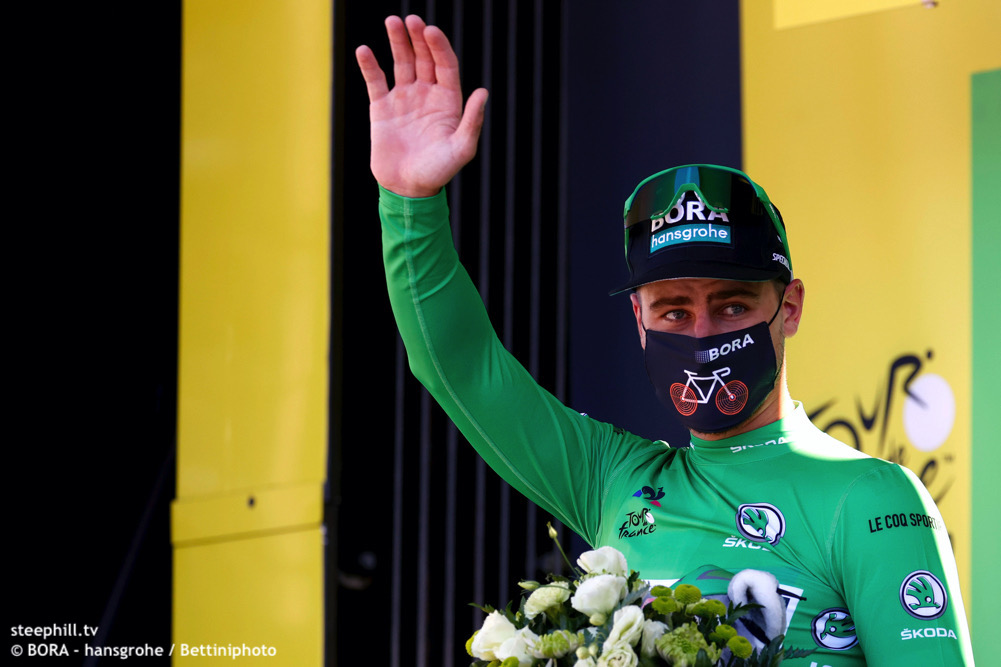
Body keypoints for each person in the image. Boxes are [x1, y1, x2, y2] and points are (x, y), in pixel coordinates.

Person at [356, 15, 973, 666]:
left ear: (788, 307)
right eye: (674, 311)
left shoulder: (871, 497)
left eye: (731, 305)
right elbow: (460, 365)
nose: (702, 332)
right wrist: (409, 201)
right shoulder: (611, 478)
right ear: (639, 321)